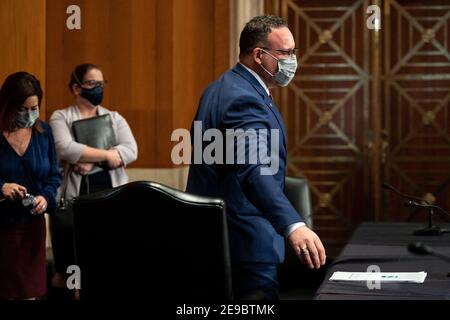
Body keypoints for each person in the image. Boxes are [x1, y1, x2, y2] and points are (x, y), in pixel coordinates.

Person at [186, 15, 326, 299]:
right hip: (246, 240)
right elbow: (254, 170)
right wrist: (294, 225)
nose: (292, 60)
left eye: (293, 52)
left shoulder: (220, 88)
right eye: (285, 53)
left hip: (216, 239)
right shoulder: (243, 99)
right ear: (258, 55)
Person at [49, 63, 138, 298]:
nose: (98, 88)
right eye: (92, 84)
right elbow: (65, 148)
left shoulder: (114, 117)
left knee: (104, 260)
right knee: (69, 267)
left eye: (101, 83)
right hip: (74, 201)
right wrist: (108, 154)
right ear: (77, 88)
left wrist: (90, 158)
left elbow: (131, 150)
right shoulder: (61, 116)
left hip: (109, 194)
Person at [0, 72, 61, 299]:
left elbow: (54, 176)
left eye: (34, 108)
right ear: (8, 105)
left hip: (32, 230)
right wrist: (2, 186)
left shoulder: (44, 133)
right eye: (23, 109)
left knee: (30, 294)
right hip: (3, 228)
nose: (29, 115)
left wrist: (45, 197)